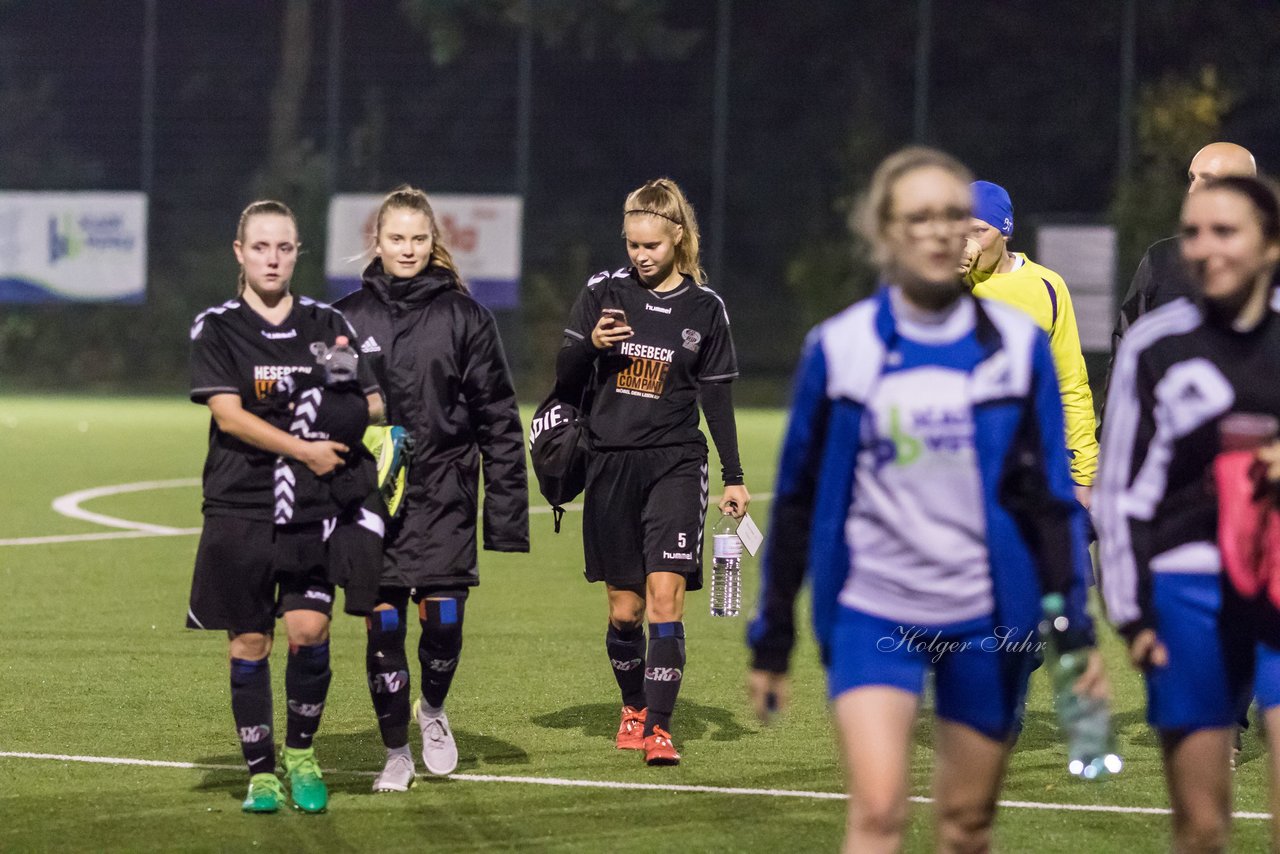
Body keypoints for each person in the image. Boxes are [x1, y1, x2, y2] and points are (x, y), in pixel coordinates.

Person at [746, 147, 1104, 853]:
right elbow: (797, 500)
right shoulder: (841, 347)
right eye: (921, 217)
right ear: (886, 232)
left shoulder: (1015, 347)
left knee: (967, 823)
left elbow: (1045, 493)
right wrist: (774, 634)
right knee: (878, 812)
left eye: (953, 217)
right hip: (872, 610)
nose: (942, 231)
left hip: (984, 614)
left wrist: (1075, 627)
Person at [1096, 175, 1280, 853]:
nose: (1205, 247)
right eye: (1195, 231)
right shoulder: (1155, 347)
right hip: (1188, 597)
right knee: (1201, 825)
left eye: (1226, 230)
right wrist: (1132, 611)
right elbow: (1119, 495)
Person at [187, 200, 383, 814]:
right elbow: (229, 414)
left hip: (312, 506)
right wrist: (303, 441)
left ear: (298, 253)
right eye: (261, 247)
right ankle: (260, 771)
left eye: (285, 247)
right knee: (250, 641)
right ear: (239, 253)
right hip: (239, 504)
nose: (273, 258)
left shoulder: (324, 327)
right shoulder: (218, 328)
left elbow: (367, 401)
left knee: (310, 630)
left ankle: (300, 753)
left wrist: (339, 413)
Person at [335, 186, 529, 792]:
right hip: (374, 503)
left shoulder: (466, 317)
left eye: (419, 238)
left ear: (433, 242)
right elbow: (324, 413)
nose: (408, 248)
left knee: (443, 621)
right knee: (385, 627)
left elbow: (498, 416)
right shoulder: (346, 319)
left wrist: (505, 516)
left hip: (445, 495)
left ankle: (433, 712)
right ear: (379, 240)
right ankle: (396, 752)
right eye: (397, 238)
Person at [555, 177, 750, 767]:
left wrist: (734, 475)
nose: (640, 256)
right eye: (632, 244)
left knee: (665, 597)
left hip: (675, 463)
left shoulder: (704, 309)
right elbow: (564, 375)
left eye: (652, 246)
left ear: (678, 239)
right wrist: (589, 344)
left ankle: (659, 728)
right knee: (625, 610)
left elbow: (715, 399)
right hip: (610, 463)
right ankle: (634, 704)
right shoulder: (602, 292)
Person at [959, 181, 1098, 506]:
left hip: (1034, 462)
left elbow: (1070, 383)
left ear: (1005, 232)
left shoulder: (1047, 286)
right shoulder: (948, 286)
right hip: (965, 466)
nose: (968, 243)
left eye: (980, 231)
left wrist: (1084, 472)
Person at [1111, 142, 1257, 350]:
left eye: (1208, 180)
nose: (1192, 190)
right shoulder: (1160, 260)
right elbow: (1127, 342)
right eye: (1192, 178)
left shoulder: (1270, 264)